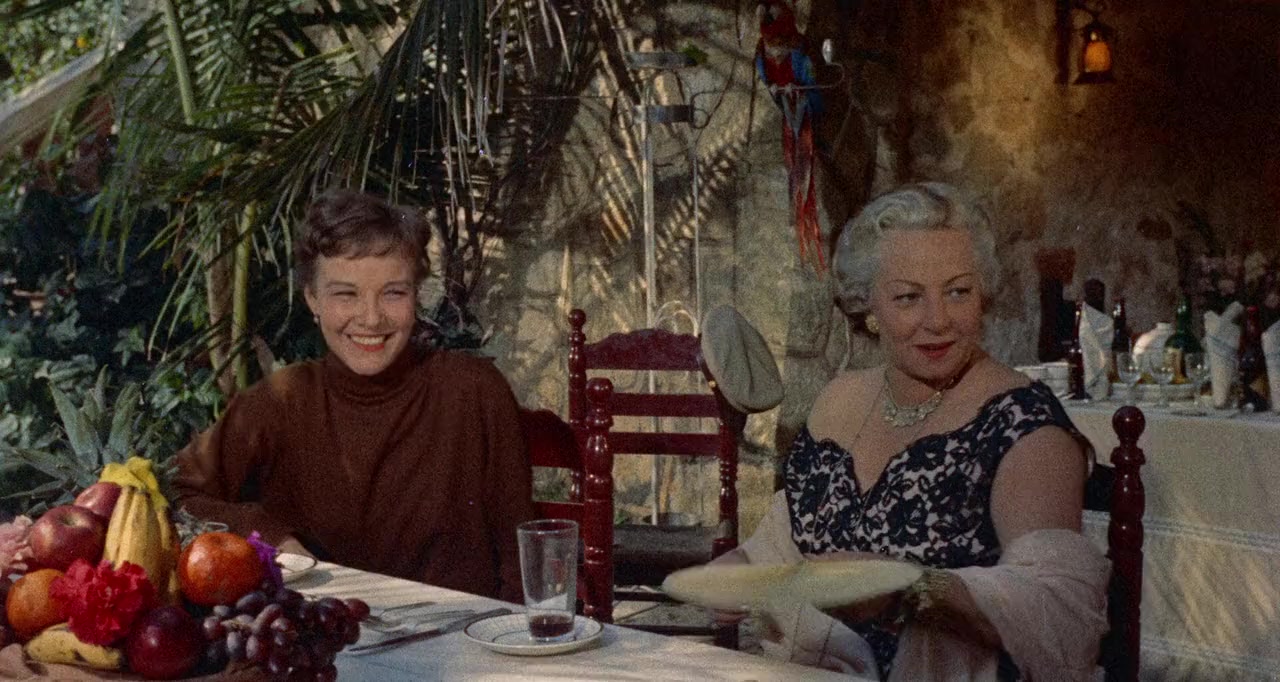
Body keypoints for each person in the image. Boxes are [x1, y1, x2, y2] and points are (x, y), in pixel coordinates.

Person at [711, 182, 1108, 681]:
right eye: (908, 297)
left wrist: (910, 590)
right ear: (869, 308)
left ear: (982, 294)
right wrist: (741, 569)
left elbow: (1055, 616)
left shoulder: (1025, 426)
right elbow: (787, 542)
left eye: (958, 292)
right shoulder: (838, 401)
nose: (938, 320)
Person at [173, 189, 535, 602]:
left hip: (462, 633)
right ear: (312, 299)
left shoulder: (474, 390)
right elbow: (175, 493)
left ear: (416, 295)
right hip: (322, 632)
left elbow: (523, 553)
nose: (371, 318)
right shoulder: (280, 400)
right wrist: (268, 533)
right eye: (346, 294)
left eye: (393, 292)